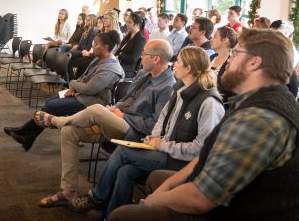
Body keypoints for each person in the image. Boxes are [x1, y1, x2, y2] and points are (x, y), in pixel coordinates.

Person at [108, 28, 299, 221]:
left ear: (254, 62)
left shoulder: (258, 118)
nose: (228, 61)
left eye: (235, 53)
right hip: (215, 194)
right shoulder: (256, 101)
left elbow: (201, 199)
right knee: (154, 179)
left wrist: (154, 201)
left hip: (230, 211)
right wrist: (162, 191)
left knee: (122, 216)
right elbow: (203, 158)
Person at [71, 46, 225, 217]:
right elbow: (162, 122)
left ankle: (97, 197)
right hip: (167, 152)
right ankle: (111, 215)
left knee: (123, 152)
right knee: (125, 172)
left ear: (188, 68)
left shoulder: (209, 103)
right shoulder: (180, 91)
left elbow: (201, 151)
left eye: (179, 62)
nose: (174, 64)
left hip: (183, 163)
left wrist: (163, 145)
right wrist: (154, 138)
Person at [33, 40, 175, 207]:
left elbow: (155, 126)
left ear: (156, 59)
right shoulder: (144, 74)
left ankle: (56, 121)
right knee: (69, 132)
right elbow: (126, 99)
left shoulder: (167, 88)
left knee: (96, 109)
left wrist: (122, 115)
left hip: (134, 133)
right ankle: (68, 191)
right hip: (117, 121)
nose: (141, 57)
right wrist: (114, 108)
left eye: (144, 54)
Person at [3, 31, 125, 151]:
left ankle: (25, 133)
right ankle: (27, 135)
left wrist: (72, 84)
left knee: (52, 106)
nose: (93, 46)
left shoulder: (110, 69)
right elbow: (84, 78)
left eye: (96, 44)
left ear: (105, 47)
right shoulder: (99, 59)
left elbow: (90, 89)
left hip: (94, 102)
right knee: (51, 102)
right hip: (82, 95)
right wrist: (73, 87)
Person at [210, 27, 237, 104]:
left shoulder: (232, 63)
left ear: (225, 40)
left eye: (215, 36)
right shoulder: (211, 58)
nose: (211, 40)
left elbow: (228, 91)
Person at [115, 12, 146, 78]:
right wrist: (114, 56)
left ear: (137, 25)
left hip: (128, 69)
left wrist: (119, 56)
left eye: (129, 22)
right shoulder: (129, 35)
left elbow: (133, 58)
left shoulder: (140, 39)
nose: (127, 24)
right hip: (120, 64)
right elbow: (120, 48)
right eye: (127, 22)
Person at [68, 14, 99, 80]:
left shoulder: (93, 30)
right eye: (86, 20)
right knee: (69, 55)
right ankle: (69, 80)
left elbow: (88, 46)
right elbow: (80, 43)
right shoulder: (86, 30)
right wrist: (77, 46)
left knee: (70, 57)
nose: (86, 21)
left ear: (92, 21)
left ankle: (71, 81)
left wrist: (80, 48)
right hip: (81, 50)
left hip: (85, 52)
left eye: (88, 20)